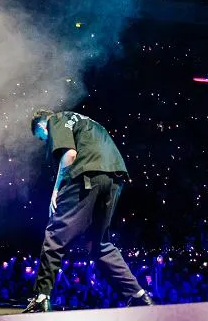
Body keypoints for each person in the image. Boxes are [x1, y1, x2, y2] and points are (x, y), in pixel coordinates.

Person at [23, 110, 155, 312]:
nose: (46, 141)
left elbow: (69, 154)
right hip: (114, 178)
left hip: (87, 176)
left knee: (55, 234)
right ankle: (137, 295)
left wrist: (56, 189)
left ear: (41, 126)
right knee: (99, 244)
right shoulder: (88, 122)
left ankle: (41, 297)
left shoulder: (55, 120)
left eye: (43, 139)